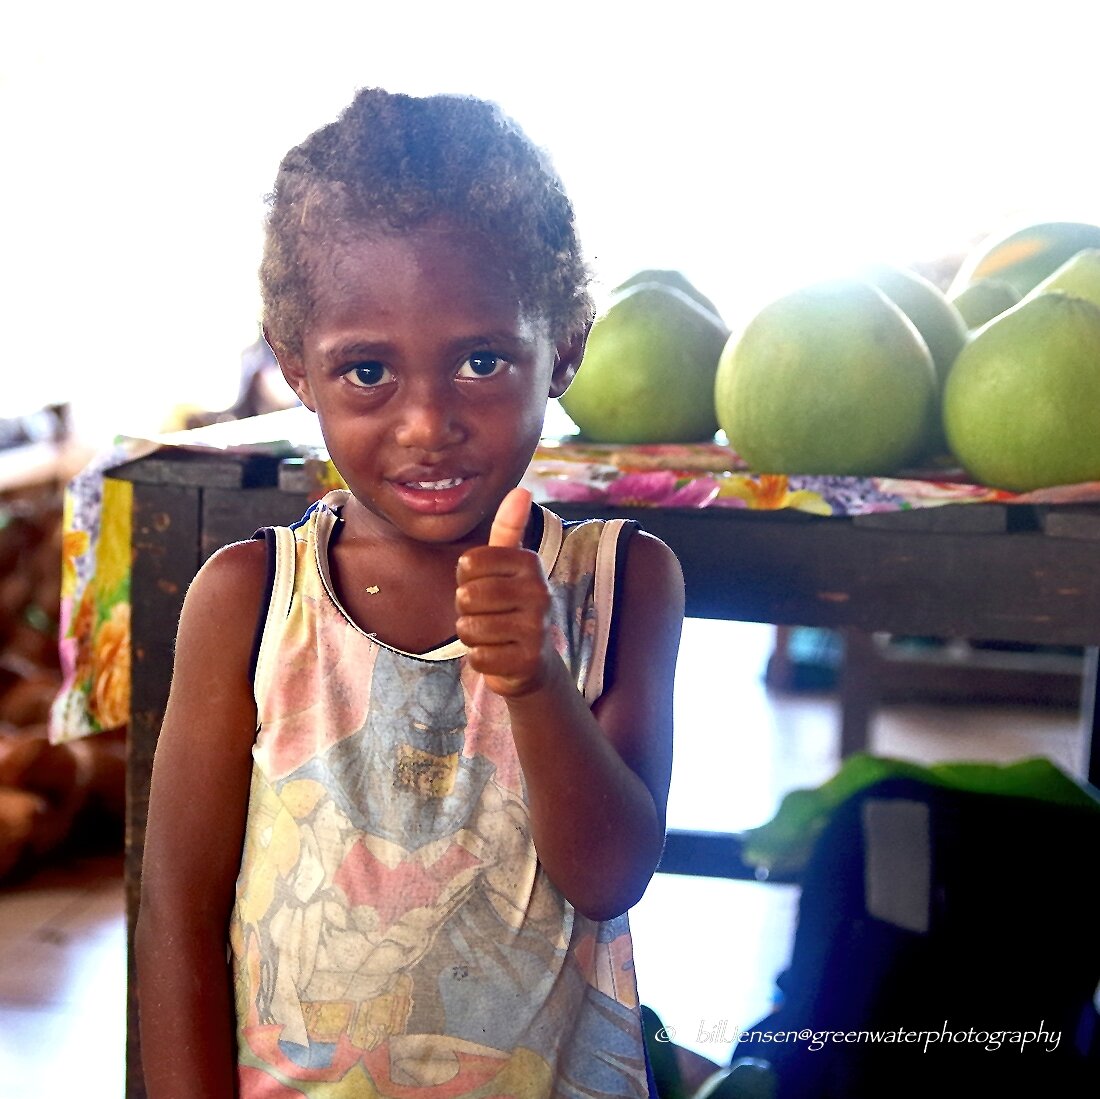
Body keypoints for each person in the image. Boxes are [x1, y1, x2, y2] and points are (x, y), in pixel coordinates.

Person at [135, 87, 685, 1098]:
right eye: (368, 372)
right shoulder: (249, 601)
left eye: (481, 361)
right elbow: (175, 914)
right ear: (297, 368)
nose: (427, 422)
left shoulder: (621, 581)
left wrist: (534, 681)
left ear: (562, 345)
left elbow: (608, 875)